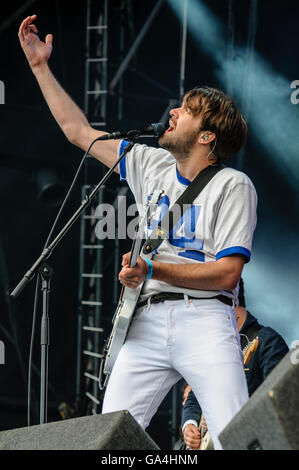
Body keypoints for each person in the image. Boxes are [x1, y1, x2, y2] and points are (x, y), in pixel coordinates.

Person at [18, 15, 258, 450]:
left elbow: (227, 275)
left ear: (206, 136)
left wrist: (153, 268)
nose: (173, 111)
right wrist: (39, 67)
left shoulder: (233, 185)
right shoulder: (151, 163)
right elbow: (79, 133)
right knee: (107, 439)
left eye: (186, 111)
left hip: (205, 319)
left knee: (234, 441)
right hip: (144, 321)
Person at [182, 278, 289, 450]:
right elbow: (194, 395)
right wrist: (189, 424)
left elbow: (277, 401)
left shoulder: (267, 341)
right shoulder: (211, 349)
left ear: (230, 304)